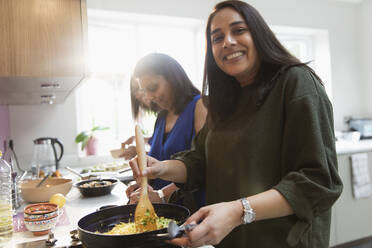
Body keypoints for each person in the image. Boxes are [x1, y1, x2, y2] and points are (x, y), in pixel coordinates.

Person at [129, 1, 343, 247]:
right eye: (217, 38)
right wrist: (161, 168)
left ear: (259, 34)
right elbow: (200, 161)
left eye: (238, 30)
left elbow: (318, 180)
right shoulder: (226, 99)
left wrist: (238, 211)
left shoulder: (295, 83)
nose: (227, 42)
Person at [126, 53, 208, 212]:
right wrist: (144, 185)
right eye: (145, 90)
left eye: (153, 88)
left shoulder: (200, 106)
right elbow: (160, 163)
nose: (149, 97)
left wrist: (162, 195)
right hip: (164, 210)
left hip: (192, 211)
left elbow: (204, 168)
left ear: (173, 79)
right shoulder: (162, 116)